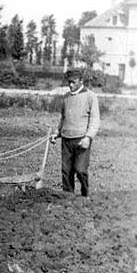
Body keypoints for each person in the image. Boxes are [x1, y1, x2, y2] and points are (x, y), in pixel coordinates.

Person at [51, 69, 100, 197]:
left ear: (81, 81)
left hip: (81, 140)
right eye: (69, 82)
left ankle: (85, 195)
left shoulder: (90, 96)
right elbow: (63, 117)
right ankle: (68, 197)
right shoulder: (66, 97)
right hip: (66, 139)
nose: (70, 85)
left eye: (73, 82)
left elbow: (95, 120)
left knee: (80, 169)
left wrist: (88, 137)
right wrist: (57, 132)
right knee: (66, 171)